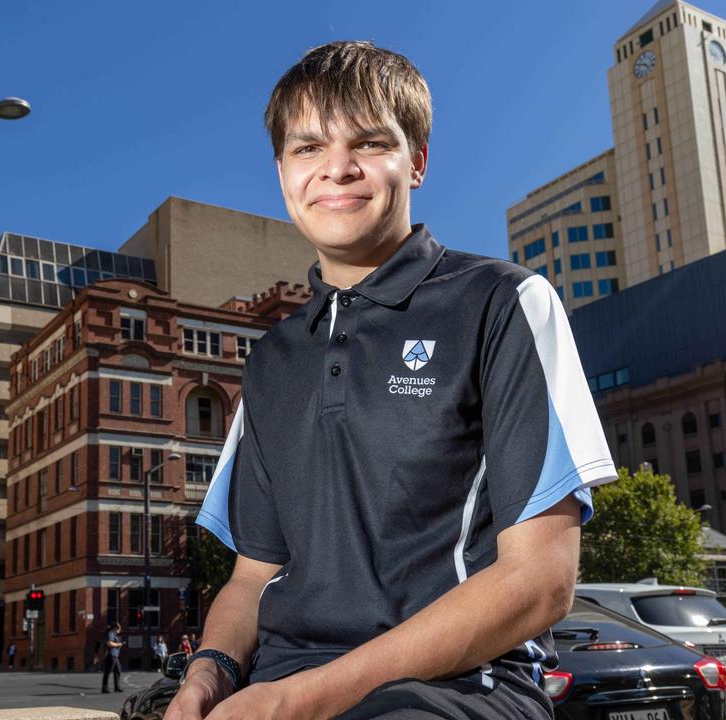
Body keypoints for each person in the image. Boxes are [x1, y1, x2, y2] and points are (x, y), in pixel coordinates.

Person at [165, 41, 616, 720]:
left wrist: (300, 700)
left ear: (418, 162)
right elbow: (254, 575)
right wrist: (210, 672)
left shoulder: (505, 302)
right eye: (308, 148)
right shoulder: (271, 359)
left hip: (455, 691)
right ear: (283, 171)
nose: (336, 169)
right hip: (276, 692)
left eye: (369, 144)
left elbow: (540, 584)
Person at [100, 623, 123, 693]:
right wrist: (118, 644)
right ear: (115, 628)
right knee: (107, 672)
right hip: (111, 656)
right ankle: (104, 688)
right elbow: (109, 643)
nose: (120, 630)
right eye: (119, 629)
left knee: (118, 671)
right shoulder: (110, 633)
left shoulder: (113, 634)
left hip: (115, 656)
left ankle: (117, 687)